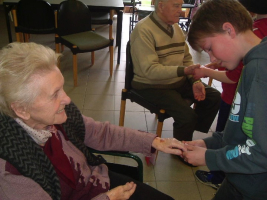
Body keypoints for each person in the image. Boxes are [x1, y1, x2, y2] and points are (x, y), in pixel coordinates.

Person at [0, 42, 188, 200]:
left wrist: (153, 141)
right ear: (21, 109)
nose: (66, 99)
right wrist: (107, 198)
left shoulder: (57, 117)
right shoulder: (10, 169)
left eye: (62, 88)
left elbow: (100, 132)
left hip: (97, 182)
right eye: (54, 94)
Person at [183, 0, 267, 199]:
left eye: (210, 47)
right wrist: (210, 144)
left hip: (254, 188)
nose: (213, 57)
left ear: (229, 30)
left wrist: (210, 157)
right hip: (240, 180)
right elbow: (238, 130)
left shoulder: (259, 71)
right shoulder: (249, 64)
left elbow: (262, 153)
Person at [130, 0, 221, 144]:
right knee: (187, 116)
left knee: (213, 97)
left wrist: (195, 81)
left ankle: (188, 135)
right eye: (176, 6)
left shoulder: (176, 28)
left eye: (181, 5)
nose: (181, 10)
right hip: (151, 85)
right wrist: (184, 71)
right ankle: (181, 150)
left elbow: (186, 58)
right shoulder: (143, 30)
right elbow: (149, 70)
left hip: (176, 81)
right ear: (161, 6)